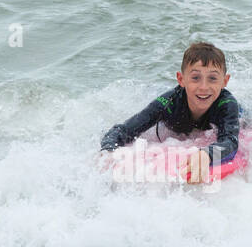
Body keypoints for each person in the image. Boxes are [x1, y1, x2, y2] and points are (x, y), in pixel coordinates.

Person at [100, 41, 242, 183]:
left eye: (212, 78)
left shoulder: (227, 105)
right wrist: (108, 151)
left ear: (224, 81)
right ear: (181, 79)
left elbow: (231, 141)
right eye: (195, 78)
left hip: (239, 118)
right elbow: (123, 130)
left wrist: (208, 154)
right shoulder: (168, 103)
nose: (204, 87)